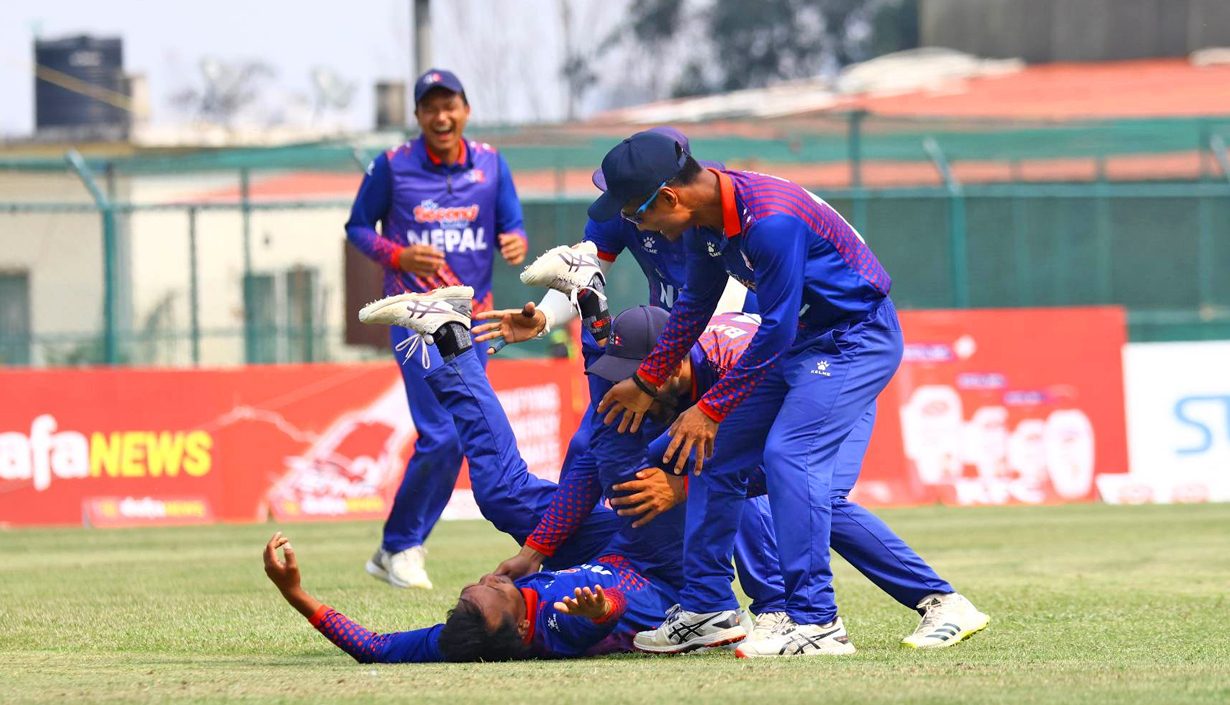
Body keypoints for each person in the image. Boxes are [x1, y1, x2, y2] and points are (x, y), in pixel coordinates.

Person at [591, 130, 989, 657]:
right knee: (713, 455)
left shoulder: (770, 220)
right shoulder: (704, 222)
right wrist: (647, 380)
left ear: (668, 197)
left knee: (790, 459)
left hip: (855, 340)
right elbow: (695, 304)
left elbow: (775, 328)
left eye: (636, 216)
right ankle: (709, 609)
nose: (638, 229)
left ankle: (818, 623)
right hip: (803, 342)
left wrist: (710, 408)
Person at [344, 68, 528, 590]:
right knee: (443, 432)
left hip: (471, 320)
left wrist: (515, 241)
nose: (441, 117)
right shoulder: (393, 165)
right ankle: (402, 546)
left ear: (465, 111)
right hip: (415, 317)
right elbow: (357, 226)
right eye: (431, 108)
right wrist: (397, 254)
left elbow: (512, 225)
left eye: (450, 106)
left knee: (461, 434)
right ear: (418, 115)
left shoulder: (491, 164)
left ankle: (395, 548)